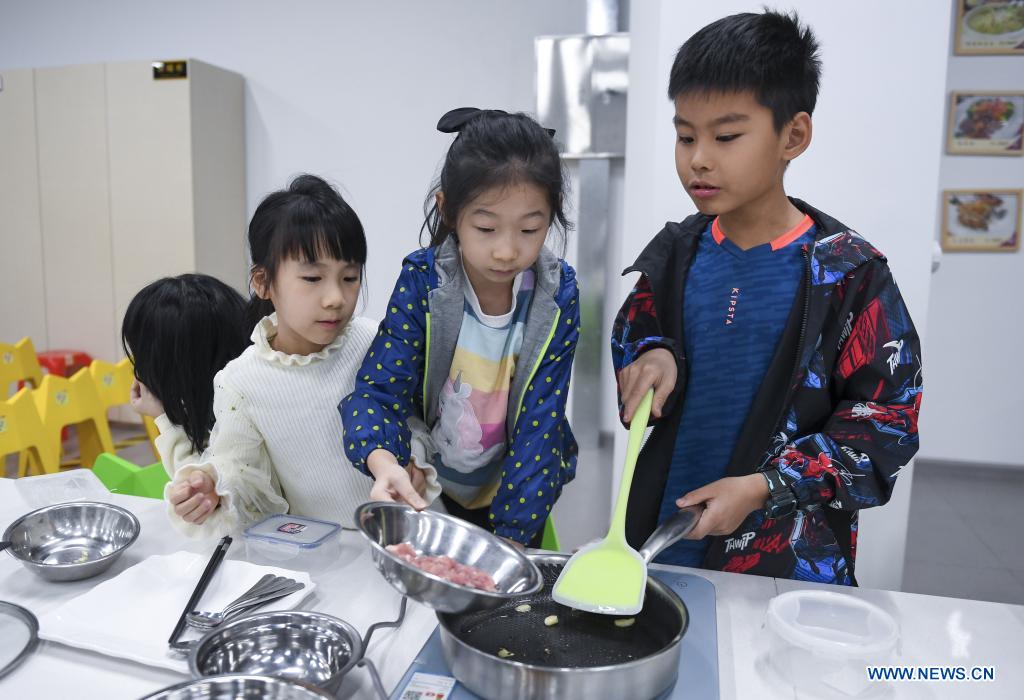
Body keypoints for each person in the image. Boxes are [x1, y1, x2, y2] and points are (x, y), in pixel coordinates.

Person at [612, 11, 922, 583]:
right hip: (664, 542)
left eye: (726, 137)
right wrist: (653, 354)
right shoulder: (676, 254)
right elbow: (635, 337)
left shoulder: (850, 275)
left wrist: (763, 488)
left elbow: (885, 424)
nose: (698, 158)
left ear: (793, 136)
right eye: (686, 136)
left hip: (787, 560)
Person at [132, 174, 424, 536]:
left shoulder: (374, 341)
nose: (336, 298)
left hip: (414, 532)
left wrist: (416, 462)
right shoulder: (240, 381)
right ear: (263, 282)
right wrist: (216, 488)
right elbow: (243, 474)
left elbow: (414, 421)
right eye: (313, 279)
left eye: (349, 277)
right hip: (332, 549)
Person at [341, 108, 580, 547]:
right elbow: (378, 390)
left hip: (514, 489)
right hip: (427, 490)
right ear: (448, 211)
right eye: (486, 227)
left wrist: (512, 538)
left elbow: (541, 426)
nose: (507, 251)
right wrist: (386, 463)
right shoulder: (424, 282)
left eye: (530, 229)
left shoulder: (556, 295)